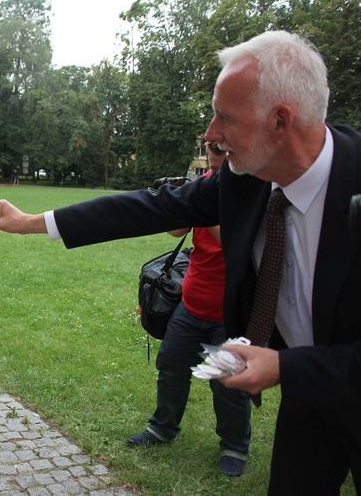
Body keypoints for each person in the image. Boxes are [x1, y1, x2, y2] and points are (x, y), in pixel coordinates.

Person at [0, 30, 361, 493]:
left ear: (280, 121)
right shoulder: (244, 180)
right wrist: (27, 221)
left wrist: (287, 368)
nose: (211, 134)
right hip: (310, 408)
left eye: (225, 117)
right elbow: (151, 206)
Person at [127, 142, 251, 477]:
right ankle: (162, 428)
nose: (217, 154)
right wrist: (176, 200)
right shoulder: (204, 187)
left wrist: (205, 205)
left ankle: (234, 446)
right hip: (193, 300)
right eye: (213, 148)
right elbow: (176, 230)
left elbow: (235, 242)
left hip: (231, 310)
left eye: (223, 149)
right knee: (171, 365)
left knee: (227, 381)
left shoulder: (251, 190)